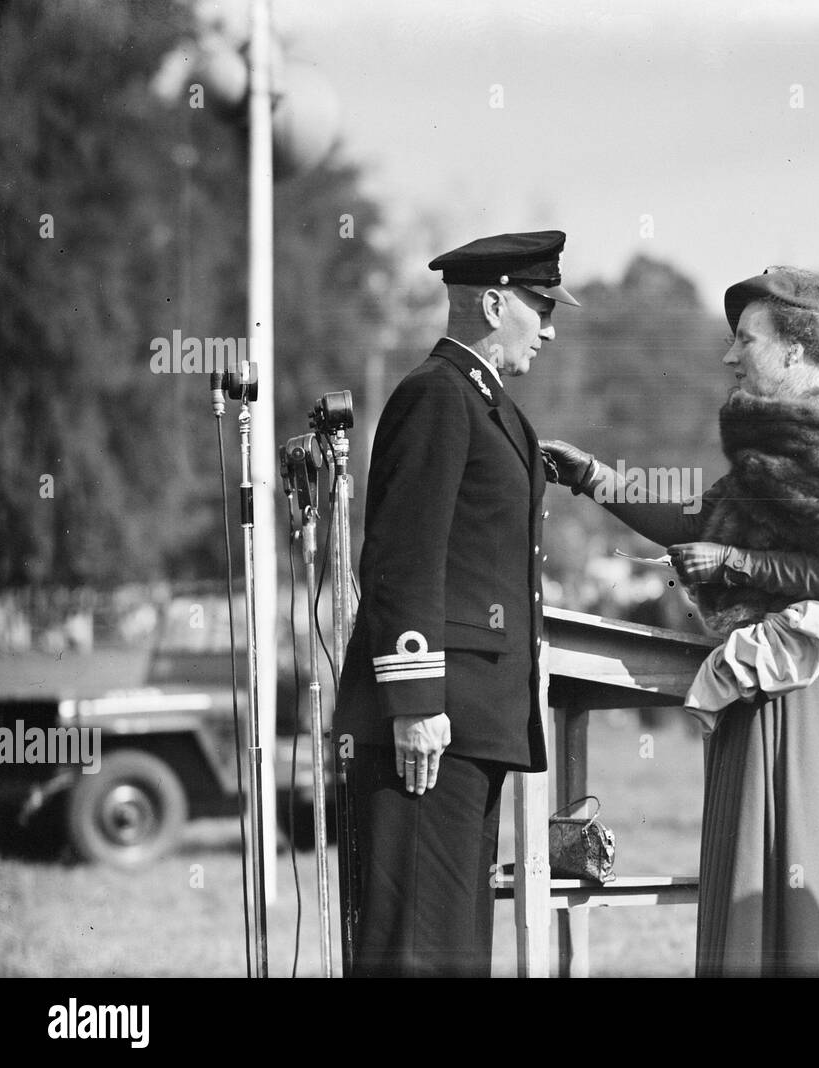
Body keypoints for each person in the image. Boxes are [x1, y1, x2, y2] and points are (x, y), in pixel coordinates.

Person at [542, 266, 819, 977]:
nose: (730, 355)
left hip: (810, 691)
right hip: (760, 685)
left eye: (744, 340)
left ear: (794, 350)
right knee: (757, 874)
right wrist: (594, 477)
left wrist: (737, 565)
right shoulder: (775, 440)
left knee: (795, 873)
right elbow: (700, 519)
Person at [334, 230, 579, 976]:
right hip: (432, 723)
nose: (550, 325)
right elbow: (402, 560)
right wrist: (413, 702)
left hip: (469, 723)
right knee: (414, 948)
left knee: (451, 946)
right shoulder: (438, 395)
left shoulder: (483, 401)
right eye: (539, 306)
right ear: (495, 302)